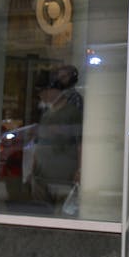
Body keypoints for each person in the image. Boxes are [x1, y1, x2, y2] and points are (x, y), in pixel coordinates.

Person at [31, 65, 83, 210]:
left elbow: (80, 142)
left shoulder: (73, 111)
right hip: (42, 173)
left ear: (52, 90)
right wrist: (34, 165)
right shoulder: (47, 112)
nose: (41, 96)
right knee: (42, 211)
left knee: (61, 211)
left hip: (62, 174)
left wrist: (79, 169)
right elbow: (40, 141)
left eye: (42, 92)